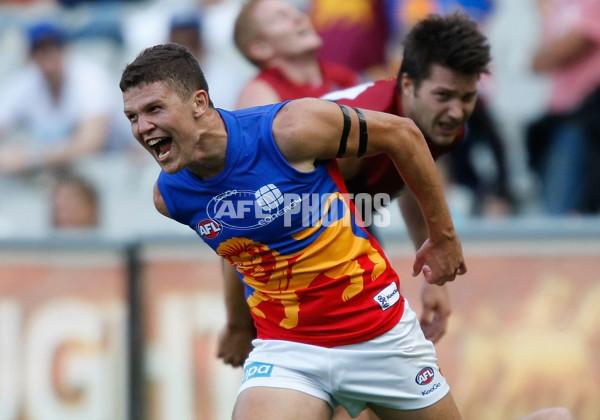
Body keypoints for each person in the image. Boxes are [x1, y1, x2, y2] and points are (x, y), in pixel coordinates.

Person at [120, 42, 467, 420]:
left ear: (199, 102)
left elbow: (405, 136)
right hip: (288, 349)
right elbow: (240, 252)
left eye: (154, 109)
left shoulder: (290, 128)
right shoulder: (170, 196)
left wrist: (443, 238)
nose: (143, 127)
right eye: (133, 117)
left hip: (380, 334)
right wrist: (239, 326)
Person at [218, 12, 488, 372]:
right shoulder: (350, 129)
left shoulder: (436, 121)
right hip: (288, 252)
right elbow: (243, 218)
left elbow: (411, 178)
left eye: (467, 97)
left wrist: (434, 278)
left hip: (344, 228)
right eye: (444, 95)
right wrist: (238, 324)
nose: (457, 111)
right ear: (407, 85)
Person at [526, 0, 600, 214]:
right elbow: (537, 61)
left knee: (559, 207)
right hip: (559, 116)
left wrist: (550, 54)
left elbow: (570, 47)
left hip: (586, 118)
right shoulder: (560, 6)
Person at [233, 0, 359, 109]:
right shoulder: (258, 92)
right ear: (261, 48)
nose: (300, 18)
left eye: (297, 11)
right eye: (281, 17)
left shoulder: (344, 76)